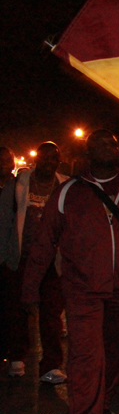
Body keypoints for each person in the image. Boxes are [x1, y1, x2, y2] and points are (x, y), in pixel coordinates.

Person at [22, 130, 119, 414]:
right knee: (85, 356)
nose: (106, 147)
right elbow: (44, 242)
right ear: (87, 151)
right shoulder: (69, 191)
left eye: (111, 143)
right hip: (82, 291)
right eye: (98, 143)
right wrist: (30, 287)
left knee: (113, 353)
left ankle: (102, 402)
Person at [13, 142, 69, 381]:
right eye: (44, 157)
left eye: (53, 158)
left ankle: (51, 364)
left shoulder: (65, 185)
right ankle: (17, 356)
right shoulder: (21, 182)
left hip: (53, 261)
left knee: (51, 314)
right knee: (20, 309)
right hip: (23, 256)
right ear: (36, 158)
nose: (49, 162)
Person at [0, 146, 22, 373]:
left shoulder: (17, 188)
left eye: (7, 160)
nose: (3, 164)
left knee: (13, 309)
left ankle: (15, 354)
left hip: (10, 257)